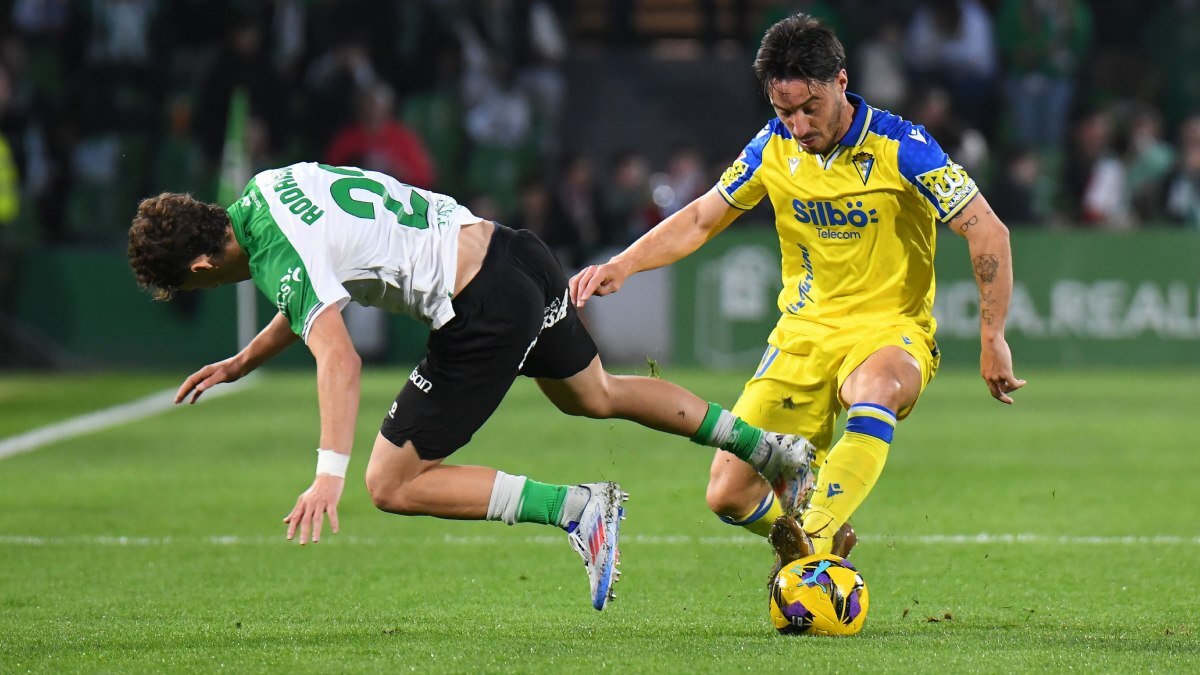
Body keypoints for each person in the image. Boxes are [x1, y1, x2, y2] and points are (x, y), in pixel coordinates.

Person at [126, 161, 817, 611]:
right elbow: (301, 285)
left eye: (193, 283)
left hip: (482, 306)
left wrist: (325, 474)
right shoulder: (268, 190)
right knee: (596, 393)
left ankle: (578, 508)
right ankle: (772, 450)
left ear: (197, 262)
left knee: (389, 482)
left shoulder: (278, 252)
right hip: (516, 253)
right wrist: (246, 358)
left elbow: (341, 362)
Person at [571, 13, 1025, 557]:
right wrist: (624, 263)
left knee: (874, 392)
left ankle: (816, 537)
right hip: (803, 335)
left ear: (840, 81)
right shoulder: (771, 147)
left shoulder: (904, 146)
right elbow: (700, 220)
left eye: (810, 108)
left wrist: (992, 335)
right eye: (784, 111)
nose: (799, 125)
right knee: (727, 495)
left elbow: (988, 232)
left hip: (889, 330)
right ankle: (821, 537)